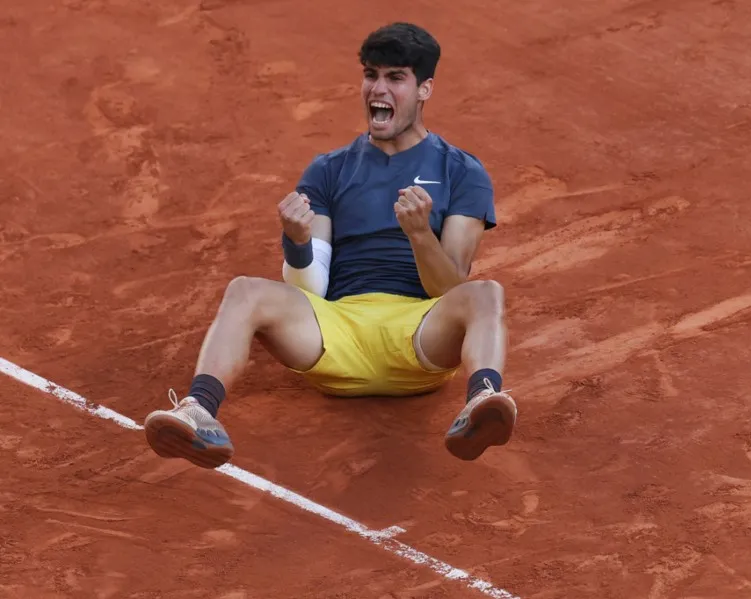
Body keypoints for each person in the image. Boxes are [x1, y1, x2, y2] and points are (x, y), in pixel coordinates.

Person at [142, 21, 517, 469]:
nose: (378, 88)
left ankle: (481, 402)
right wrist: (298, 243)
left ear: (424, 89)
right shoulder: (328, 170)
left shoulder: (461, 171)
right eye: (371, 75)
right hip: (336, 334)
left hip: (420, 337)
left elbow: (449, 287)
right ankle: (199, 410)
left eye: (396, 77)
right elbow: (311, 286)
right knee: (244, 290)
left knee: (485, 294)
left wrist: (419, 235)